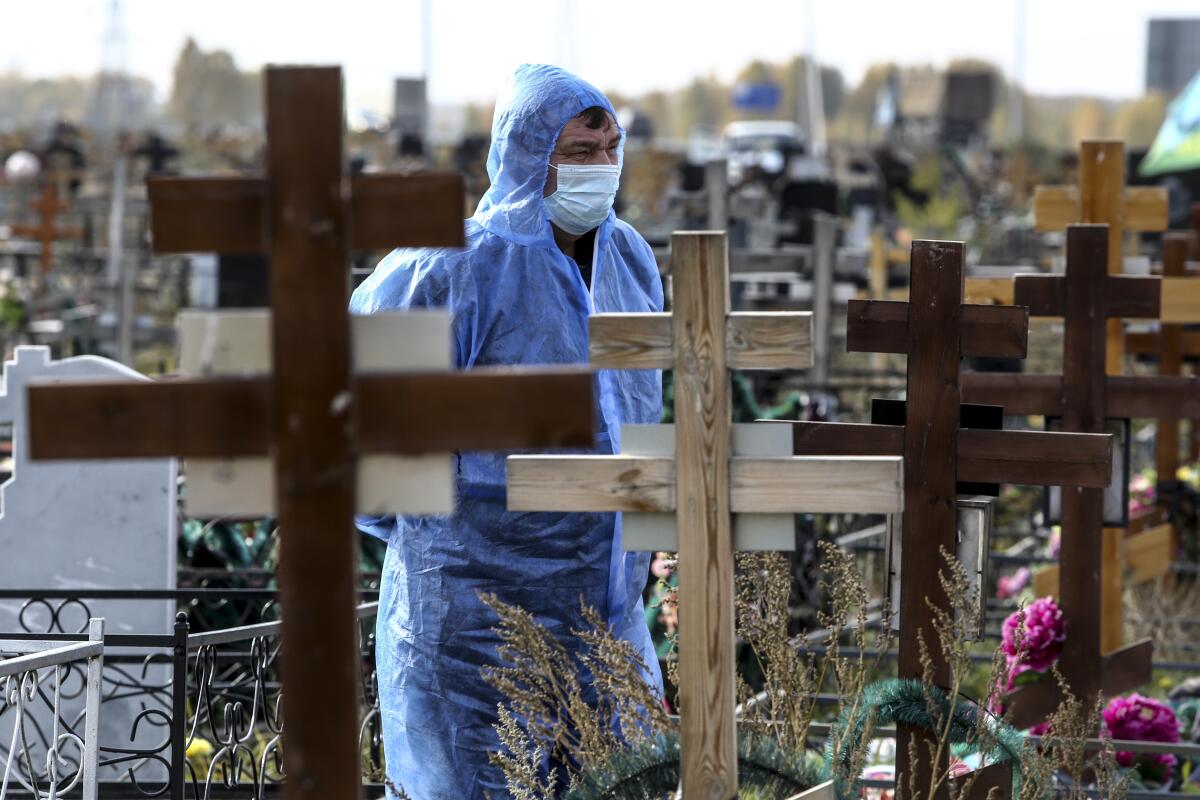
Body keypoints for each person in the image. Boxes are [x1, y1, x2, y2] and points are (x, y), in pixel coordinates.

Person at [350, 64, 664, 798]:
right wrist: (457, 544)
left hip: (606, 620)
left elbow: (641, 415)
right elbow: (366, 433)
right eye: (580, 152)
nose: (603, 168)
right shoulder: (448, 267)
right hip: (474, 625)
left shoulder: (630, 260)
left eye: (612, 147)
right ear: (527, 153)